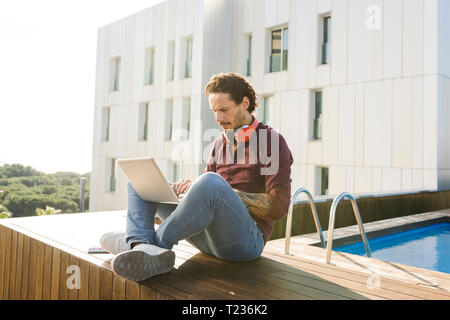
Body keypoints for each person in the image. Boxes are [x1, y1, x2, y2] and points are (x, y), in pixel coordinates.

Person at [100, 72, 294, 282]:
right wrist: (187, 193)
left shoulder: (271, 142)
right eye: (214, 111)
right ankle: (139, 244)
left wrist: (219, 191)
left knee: (210, 182)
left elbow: (278, 207)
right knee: (140, 182)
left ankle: (146, 246)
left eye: (224, 110)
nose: (218, 118)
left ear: (244, 103)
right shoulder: (220, 144)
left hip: (246, 244)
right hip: (208, 239)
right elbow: (205, 201)